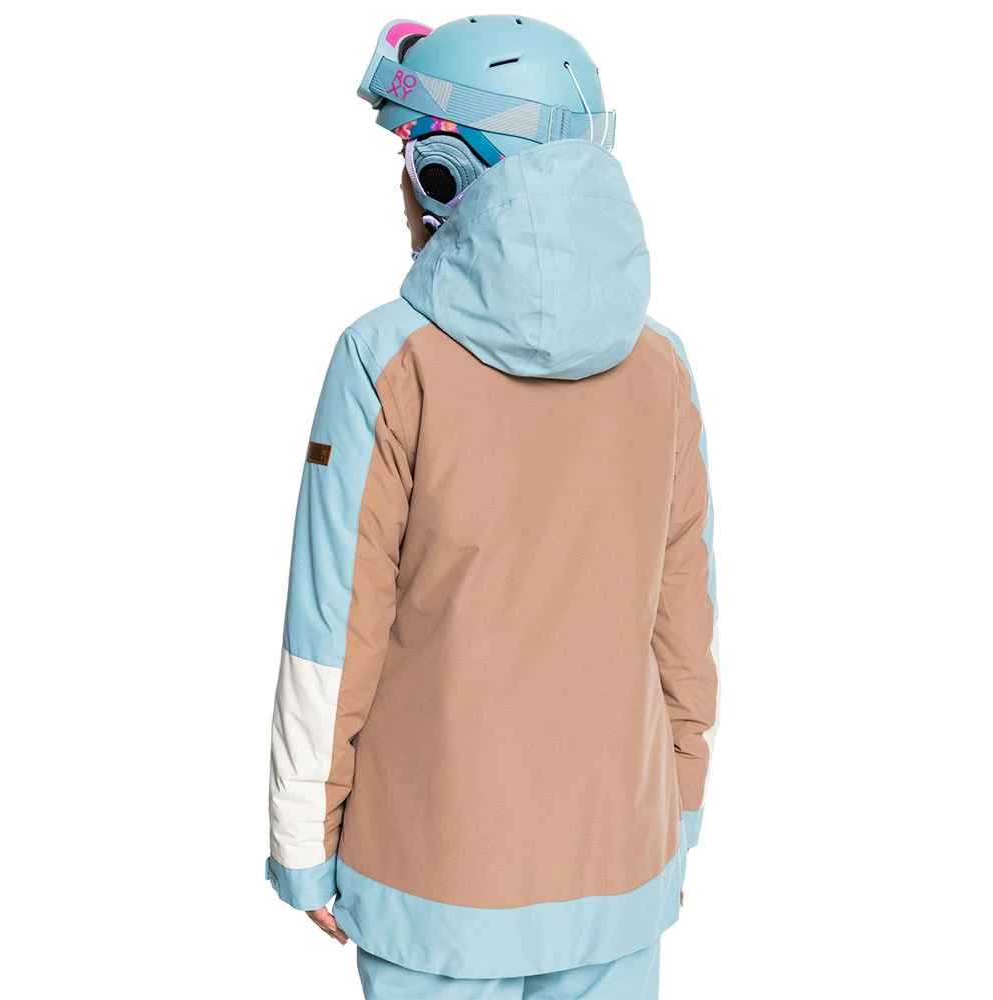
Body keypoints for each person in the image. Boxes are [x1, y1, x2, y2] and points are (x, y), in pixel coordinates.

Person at [265, 15, 720, 999]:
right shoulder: (663, 366)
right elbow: (684, 624)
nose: (399, 185)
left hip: (433, 881)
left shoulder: (384, 359)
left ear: (445, 175)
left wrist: (303, 842)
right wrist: (678, 815)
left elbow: (335, 627)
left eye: (408, 158)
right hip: (621, 864)